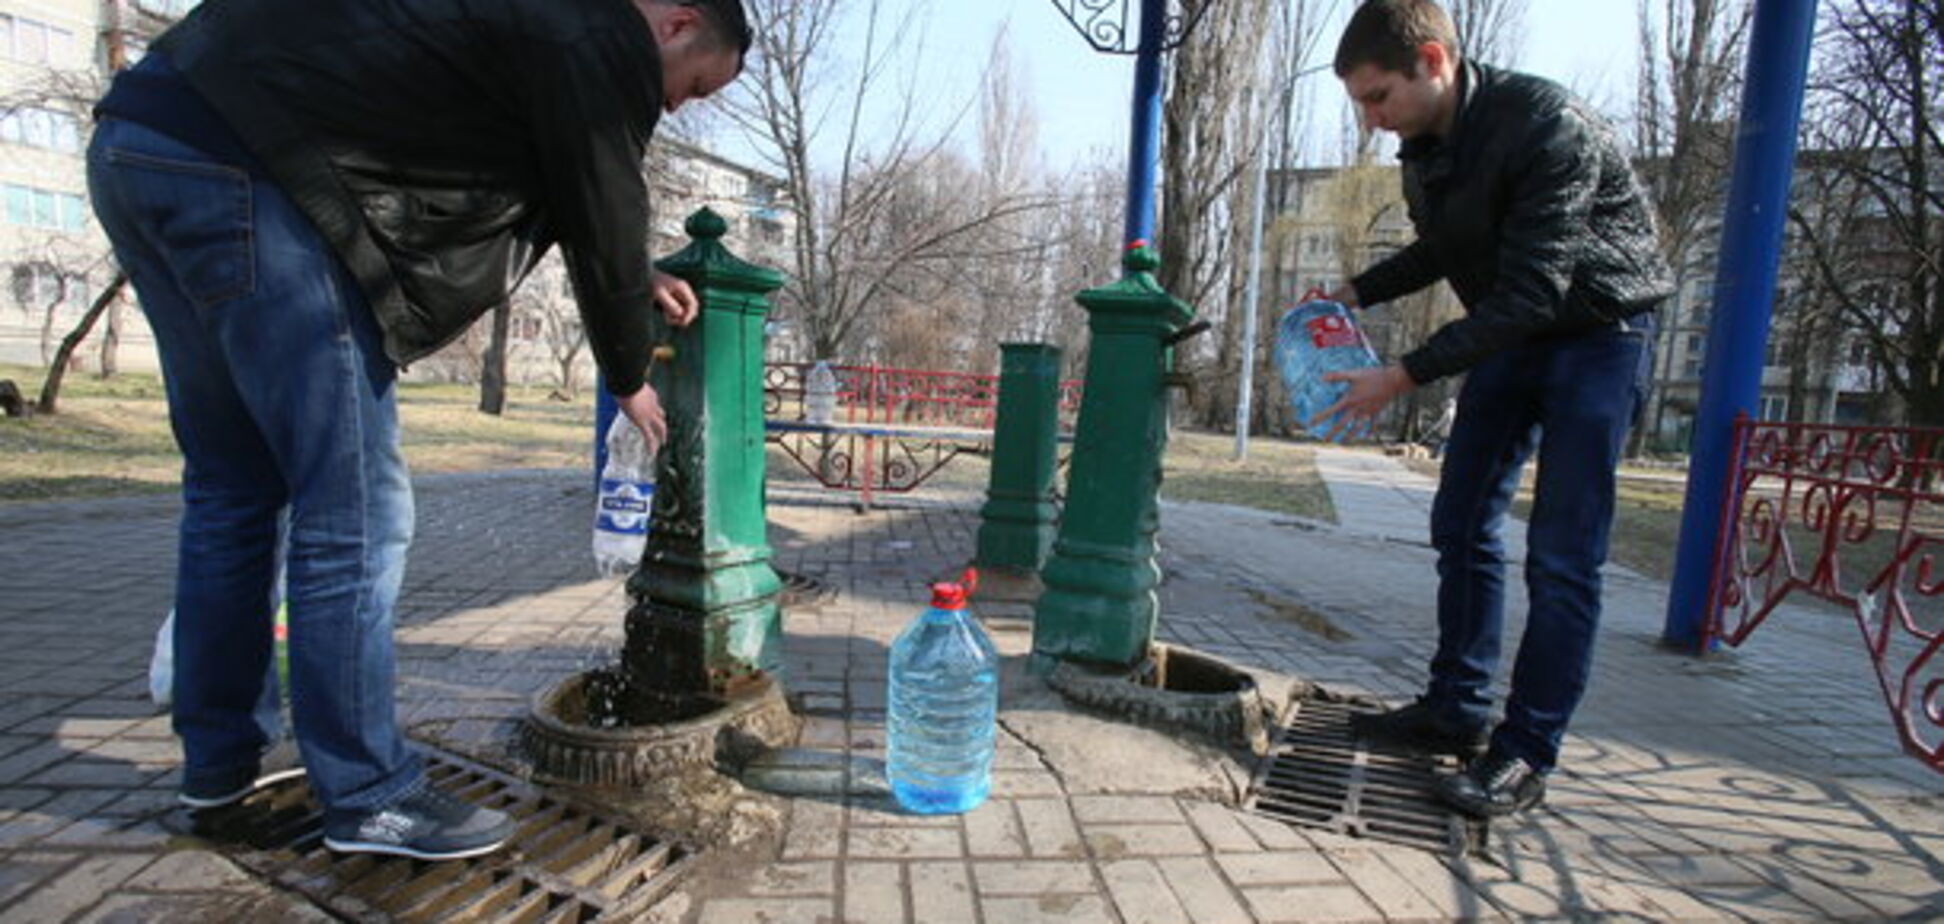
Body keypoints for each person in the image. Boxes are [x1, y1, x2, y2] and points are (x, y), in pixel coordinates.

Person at [88, 0, 751, 860]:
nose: (673, 109)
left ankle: (218, 767)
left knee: (233, 490)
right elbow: (600, 187)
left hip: (146, 138)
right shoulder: (598, 28)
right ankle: (369, 794)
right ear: (673, 21)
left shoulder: (532, 23)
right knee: (358, 512)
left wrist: (631, 268)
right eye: (692, 87)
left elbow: (550, 173)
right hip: (260, 172)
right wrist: (629, 376)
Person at [1317, 0, 1671, 818]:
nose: (1372, 122)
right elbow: (1449, 246)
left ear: (1432, 61)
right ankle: (1456, 710)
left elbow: (1534, 290)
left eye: (1377, 98)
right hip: (1513, 334)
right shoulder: (1423, 148)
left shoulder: (1546, 124)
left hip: (1597, 333)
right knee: (1461, 519)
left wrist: (1403, 373)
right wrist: (1356, 291)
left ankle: (1524, 753)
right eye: (1360, 105)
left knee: (1560, 556)